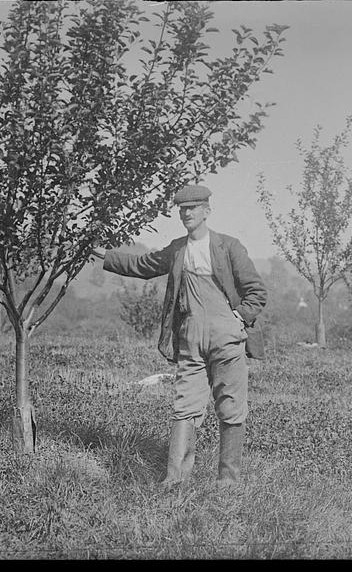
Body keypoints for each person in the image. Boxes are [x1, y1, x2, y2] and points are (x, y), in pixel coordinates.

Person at [91, 185, 267, 487]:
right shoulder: (177, 249)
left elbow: (256, 292)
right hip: (190, 337)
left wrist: (237, 319)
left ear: (207, 211)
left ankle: (228, 481)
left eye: (193, 208)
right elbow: (141, 265)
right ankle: (174, 480)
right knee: (185, 405)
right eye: (183, 209)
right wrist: (101, 254)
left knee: (231, 405)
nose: (187, 213)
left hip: (227, 336)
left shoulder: (229, 247)